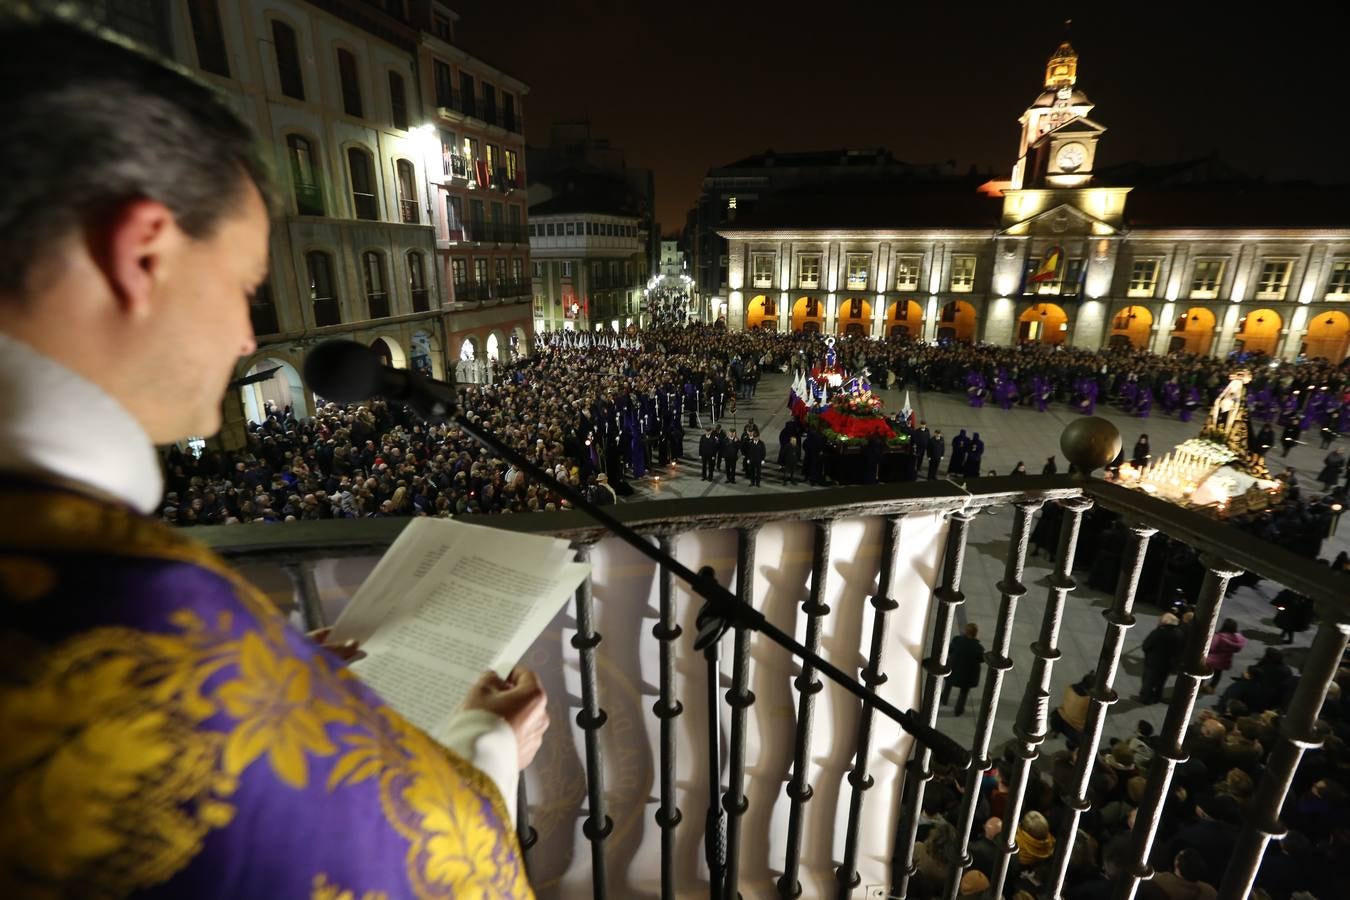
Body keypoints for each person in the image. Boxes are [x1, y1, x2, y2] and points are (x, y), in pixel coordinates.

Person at [0, 18, 542, 897]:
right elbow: (423, 864)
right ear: (140, 254)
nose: (250, 333)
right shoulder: (127, 610)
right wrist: (484, 746)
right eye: (245, 284)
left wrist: (288, 690)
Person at [1141, 613, 1184, 704]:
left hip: (1153, 662)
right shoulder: (1179, 634)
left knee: (1148, 680)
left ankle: (1146, 699)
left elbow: (1146, 646)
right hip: (1168, 663)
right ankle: (1157, 697)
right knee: (1161, 681)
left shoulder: (1158, 632)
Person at [943, 623, 985, 716]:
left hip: (953, 671)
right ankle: (958, 710)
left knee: (948, 685)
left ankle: (944, 700)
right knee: (963, 693)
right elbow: (981, 659)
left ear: (966, 631)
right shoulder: (978, 648)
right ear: (975, 633)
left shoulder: (957, 640)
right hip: (967, 676)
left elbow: (949, 651)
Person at [1204, 618, 1247, 693]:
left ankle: (1200, 685)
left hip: (1212, 660)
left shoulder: (1219, 637)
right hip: (1224, 661)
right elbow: (1237, 649)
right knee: (1217, 675)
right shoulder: (1237, 638)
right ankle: (1211, 688)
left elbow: (1211, 648)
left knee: (1205, 672)